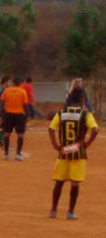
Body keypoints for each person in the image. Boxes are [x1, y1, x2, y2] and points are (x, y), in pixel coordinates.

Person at [48, 88, 99, 219]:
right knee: (75, 183)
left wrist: (55, 145)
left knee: (59, 182)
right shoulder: (85, 115)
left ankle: (53, 210)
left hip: (64, 152)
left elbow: (51, 128)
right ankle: (70, 211)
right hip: (77, 153)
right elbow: (95, 130)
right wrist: (86, 145)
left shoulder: (61, 113)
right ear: (82, 100)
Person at [0, 77, 28, 161]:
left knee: (7, 134)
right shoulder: (22, 91)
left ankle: (6, 154)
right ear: (20, 83)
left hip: (8, 114)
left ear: (12, 83)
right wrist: (26, 116)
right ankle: (18, 154)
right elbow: (25, 105)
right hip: (19, 114)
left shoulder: (6, 91)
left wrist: (1, 115)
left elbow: (2, 103)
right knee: (20, 134)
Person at [0, 77, 10, 148]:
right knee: (3, 125)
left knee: (1, 125)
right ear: (5, 82)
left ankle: (1, 140)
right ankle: (2, 141)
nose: (9, 83)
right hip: (2, 109)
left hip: (1, 109)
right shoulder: (3, 90)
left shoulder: (2, 89)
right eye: (8, 82)